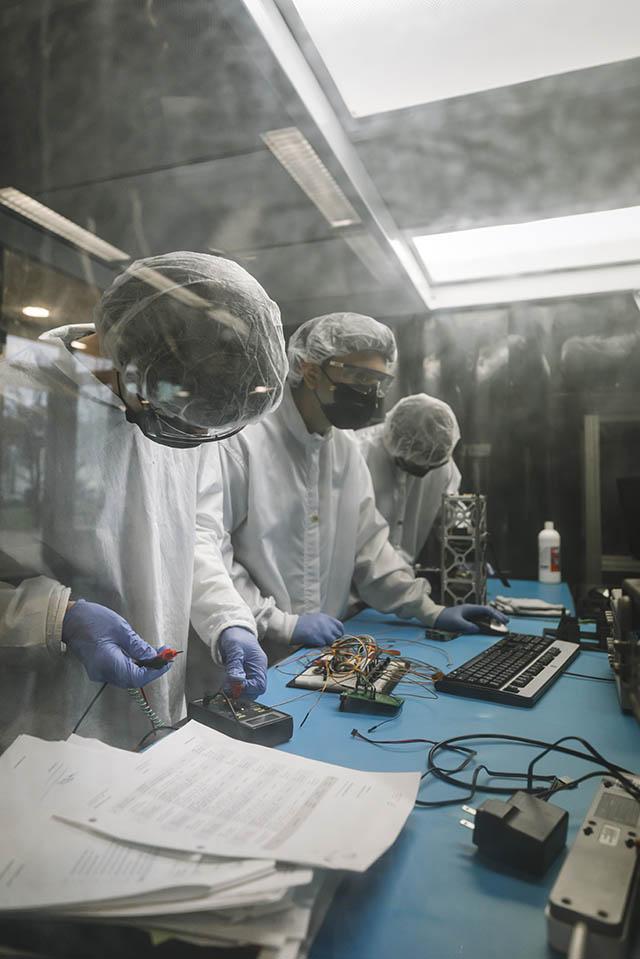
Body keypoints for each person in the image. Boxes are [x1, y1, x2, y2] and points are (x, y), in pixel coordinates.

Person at [0, 251, 287, 750]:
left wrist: (228, 623)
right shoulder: (15, 401)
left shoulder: (184, 411)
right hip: (40, 731)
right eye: (177, 407)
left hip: (160, 720)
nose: (189, 430)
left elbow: (193, 535)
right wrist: (54, 617)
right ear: (131, 358)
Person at [216, 312, 506, 655]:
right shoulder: (244, 440)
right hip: (250, 651)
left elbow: (370, 548)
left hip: (320, 652)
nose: (371, 393)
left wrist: (430, 610)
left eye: (380, 382)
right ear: (310, 371)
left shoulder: (345, 452)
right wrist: (278, 621)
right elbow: (211, 552)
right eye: (360, 377)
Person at [356, 394, 461, 565]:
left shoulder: (440, 460)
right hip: (352, 580)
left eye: (431, 466)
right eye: (413, 464)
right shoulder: (358, 454)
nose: (424, 471)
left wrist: (453, 527)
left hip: (404, 576)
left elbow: (449, 516)